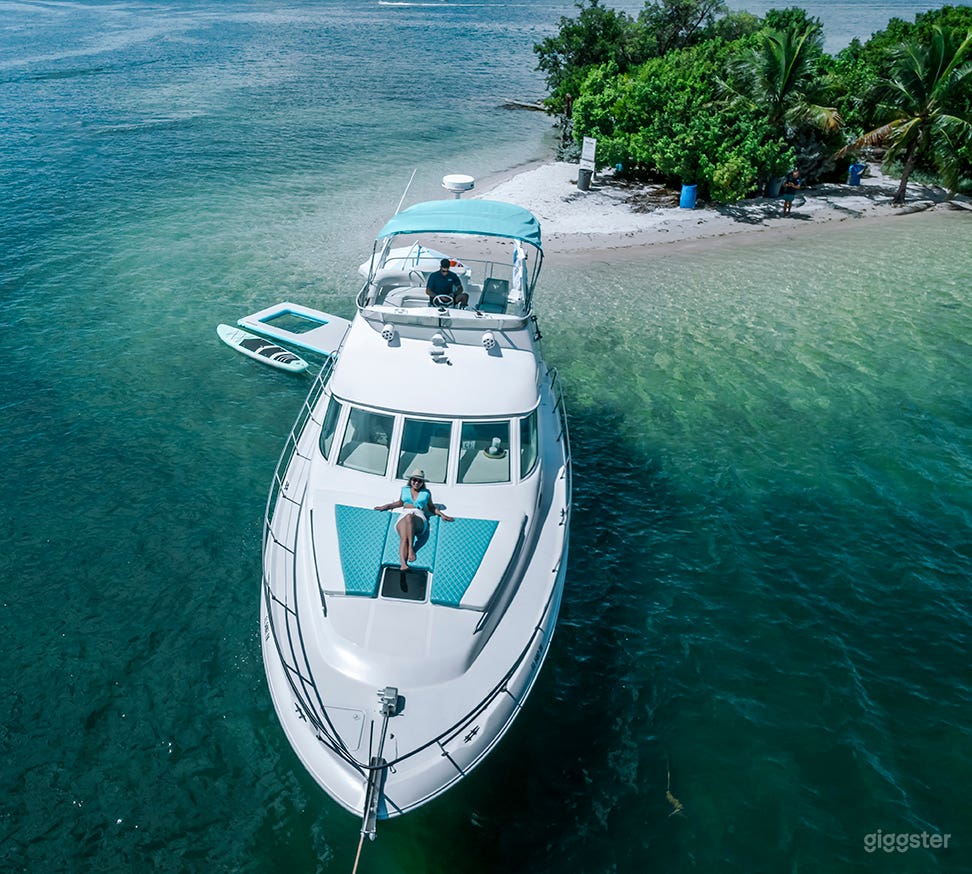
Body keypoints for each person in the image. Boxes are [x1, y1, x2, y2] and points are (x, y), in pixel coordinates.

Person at [374, 470, 455, 570]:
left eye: (419, 481)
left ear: (422, 483)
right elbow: (400, 503)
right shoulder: (404, 489)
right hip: (404, 514)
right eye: (414, 480)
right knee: (404, 537)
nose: (416, 483)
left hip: (418, 515)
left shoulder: (426, 493)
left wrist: (442, 515)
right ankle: (403, 564)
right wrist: (385, 506)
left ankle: (411, 548)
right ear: (411, 480)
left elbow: (431, 508)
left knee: (410, 517)